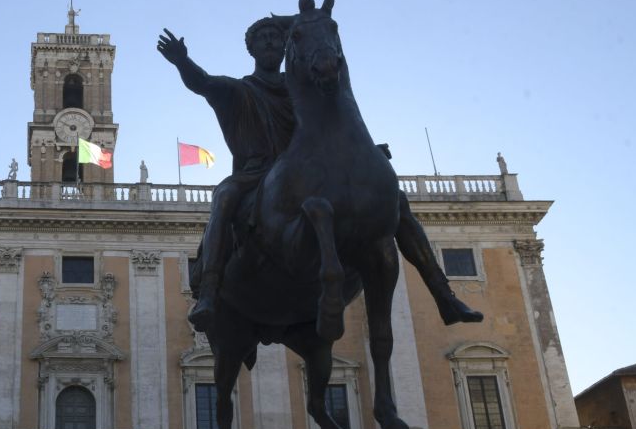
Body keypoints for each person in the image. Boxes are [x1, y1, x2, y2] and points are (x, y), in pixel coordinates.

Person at [158, 18, 481, 332]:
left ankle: (443, 294)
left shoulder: (304, 89)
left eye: (275, 37)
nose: (270, 42)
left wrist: (363, 149)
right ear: (252, 50)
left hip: (310, 170)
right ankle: (210, 290)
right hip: (256, 174)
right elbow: (202, 82)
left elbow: (339, 122)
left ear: (286, 47)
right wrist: (182, 61)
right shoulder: (238, 90)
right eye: (262, 39)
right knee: (224, 196)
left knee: (395, 202)